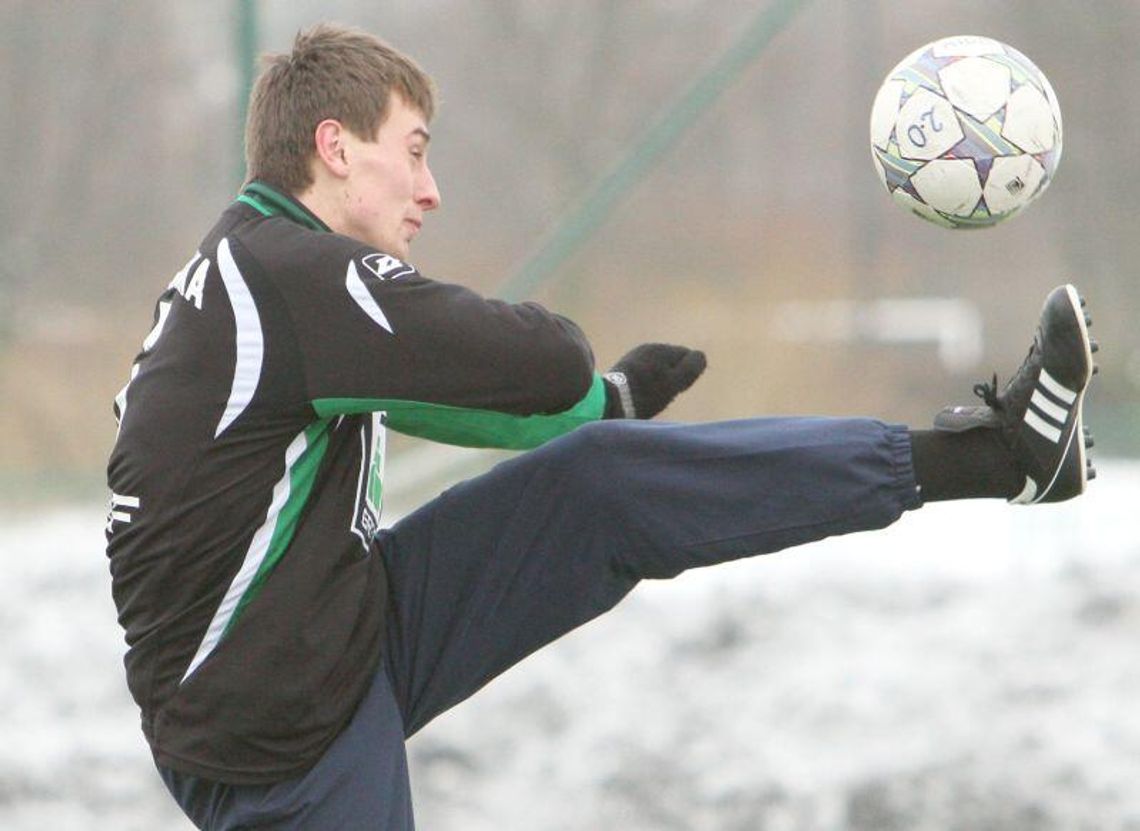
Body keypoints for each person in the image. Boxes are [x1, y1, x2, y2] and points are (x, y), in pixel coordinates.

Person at [105, 23, 1099, 830]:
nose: (430, 188)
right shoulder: (290, 276)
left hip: (319, 630)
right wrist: (576, 371)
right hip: (274, 722)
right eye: (413, 151)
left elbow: (449, 399)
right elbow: (531, 357)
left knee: (605, 483)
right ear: (333, 145)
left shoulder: (261, 279)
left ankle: (1002, 454)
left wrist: (604, 409)